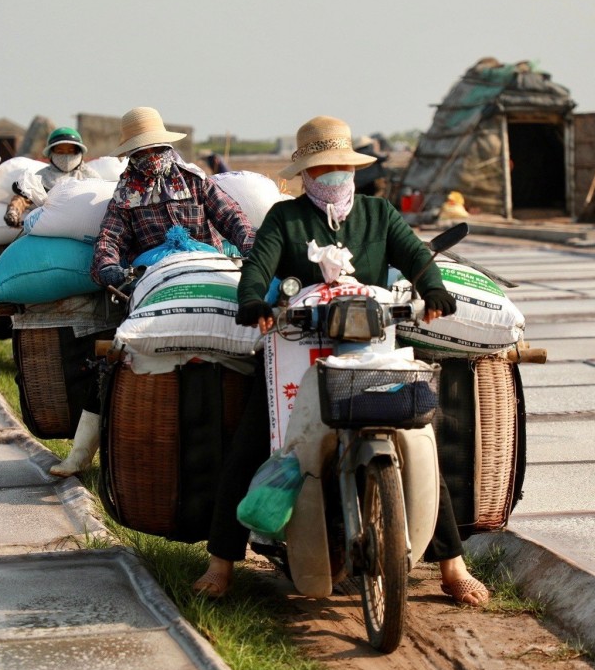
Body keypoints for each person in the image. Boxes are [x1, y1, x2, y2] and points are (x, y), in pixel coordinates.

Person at [192, 115, 490, 608]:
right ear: (306, 174)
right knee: (250, 446)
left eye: (339, 166)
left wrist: (432, 287)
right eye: (321, 168)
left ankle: (452, 567)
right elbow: (258, 267)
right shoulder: (286, 220)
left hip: (370, 349)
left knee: (418, 440)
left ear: (353, 169)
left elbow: (415, 254)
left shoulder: (379, 213)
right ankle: (220, 563)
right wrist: (253, 303)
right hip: (298, 348)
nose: (332, 176)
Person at [47, 106, 255, 478]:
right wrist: (111, 268)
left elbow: (233, 219)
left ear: (166, 148)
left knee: (259, 348)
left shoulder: (195, 181)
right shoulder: (125, 197)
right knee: (112, 357)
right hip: (154, 278)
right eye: (141, 153)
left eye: (155, 150)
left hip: (208, 267)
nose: (150, 158)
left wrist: (254, 249)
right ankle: (80, 455)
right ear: (131, 156)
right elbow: (107, 240)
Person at [4, 127, 100, 226]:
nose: (66, 156)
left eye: (71, 151)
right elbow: (24, 198)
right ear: (50, 154)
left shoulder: (90, 177)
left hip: (81, 225)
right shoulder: (41, 177)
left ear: (80, 153)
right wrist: (13, 211)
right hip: (49, 226)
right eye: (60, 152)